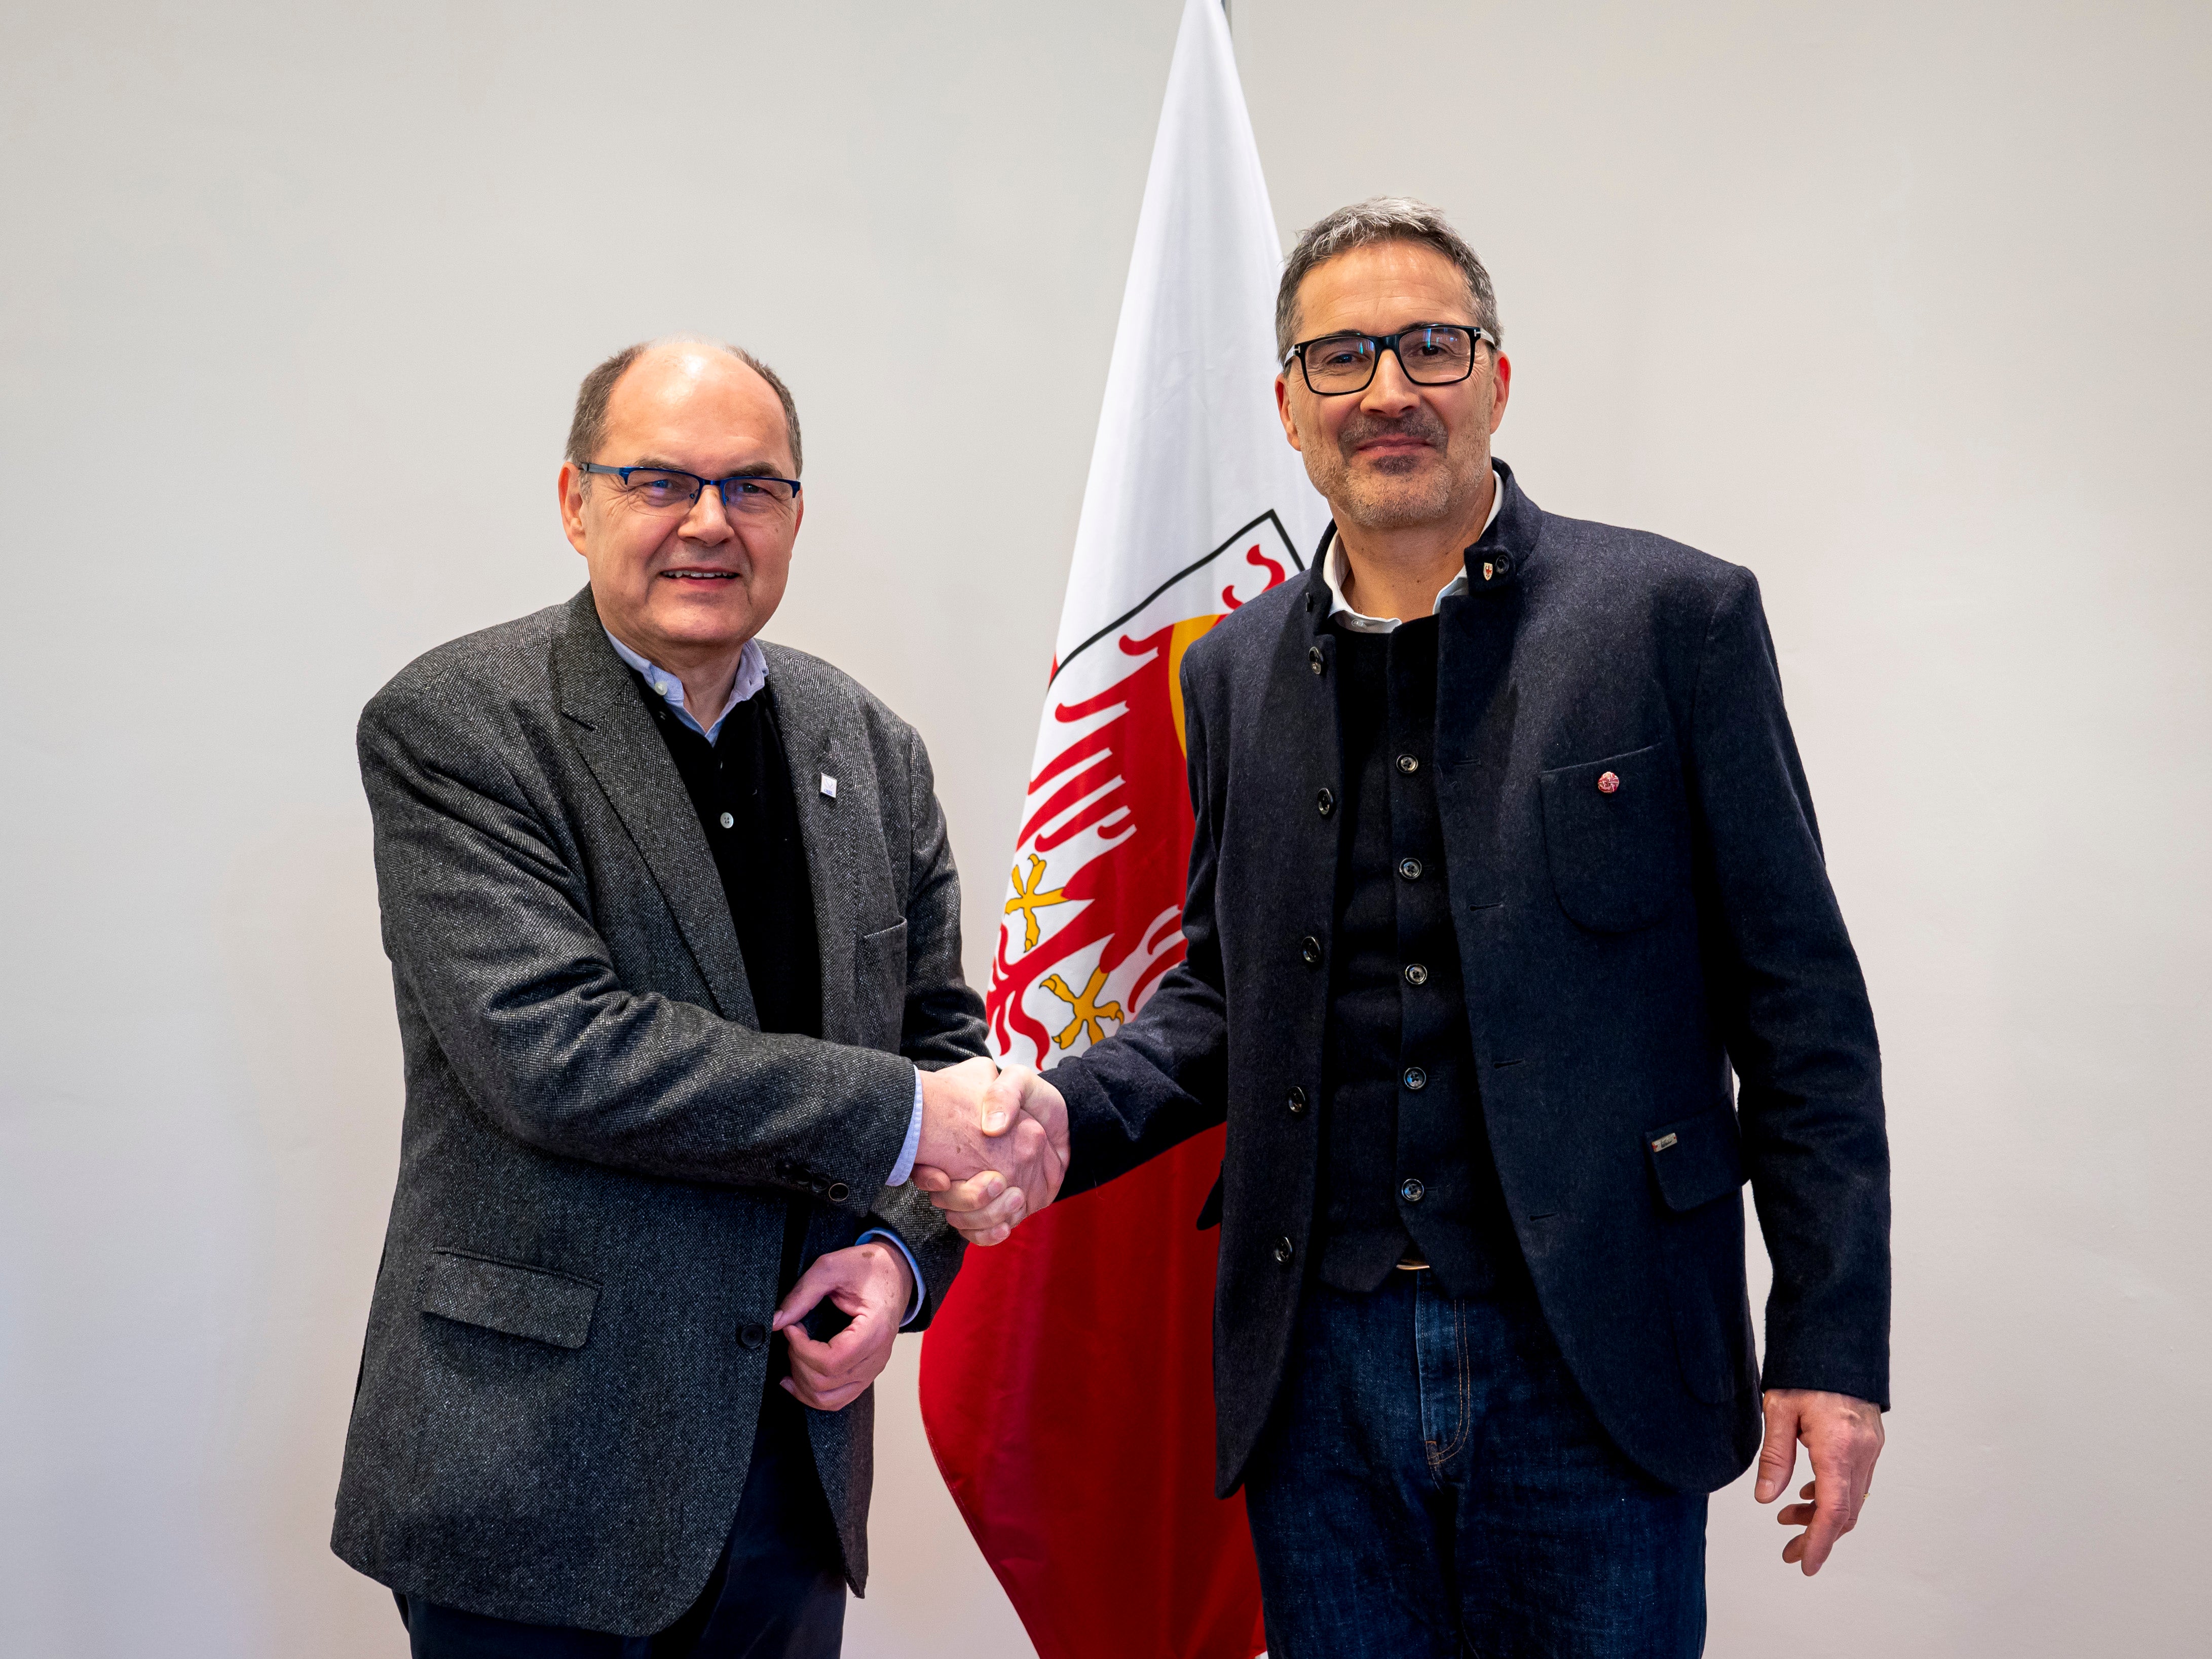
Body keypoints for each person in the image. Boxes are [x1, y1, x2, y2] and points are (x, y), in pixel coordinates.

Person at [924, 199, 1889, 1657]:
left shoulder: (1670, 619)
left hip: (1595, 1352)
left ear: (1498, 379)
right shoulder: (1231, 673)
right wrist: (1046, 1111)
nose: (1388, 389)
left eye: (1432, 346)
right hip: (1318, 1373)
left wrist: (1832, 1337)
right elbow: (1220, 1006)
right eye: (1342, 357)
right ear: (1288, 409)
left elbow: (1800, 1007)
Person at [331, 336, 1062, 1657]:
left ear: (795, 514)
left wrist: (901, 1259)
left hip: (792, 1465)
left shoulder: (872, 747)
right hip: (541, 1468)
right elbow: (556, 1052)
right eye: (661, 479)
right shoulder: (457, 725)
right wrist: (914, 1114)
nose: (709, 523)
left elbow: (944, 1037)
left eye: (754, 487)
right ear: (577, 501)